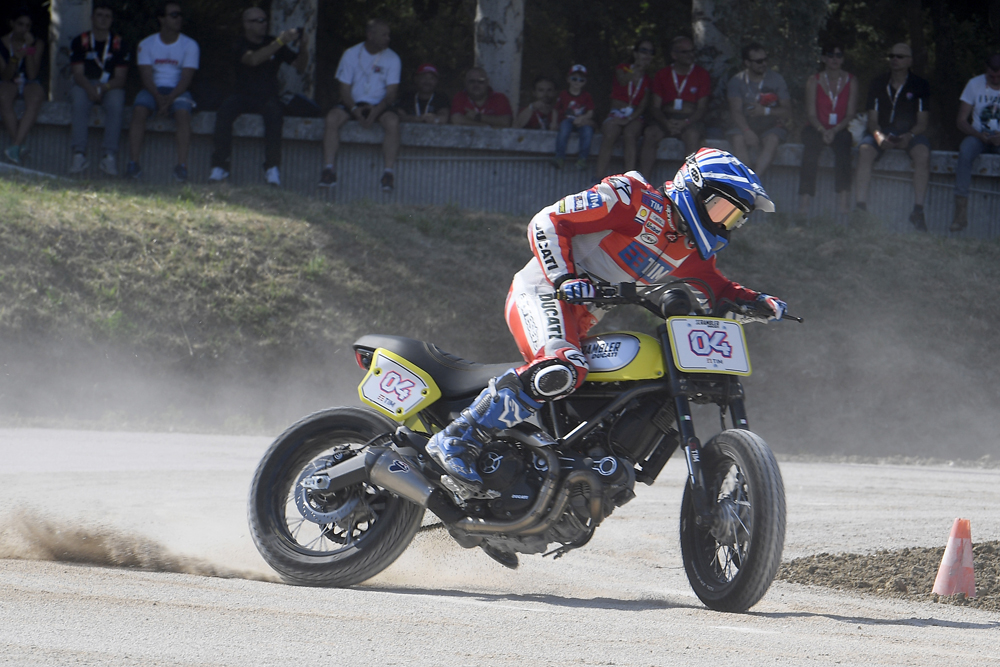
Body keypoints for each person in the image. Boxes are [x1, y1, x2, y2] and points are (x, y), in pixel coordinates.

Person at [425, 148, 786, 565]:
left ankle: (533, 489)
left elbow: (713, 285)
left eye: (735, 217)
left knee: (616, 391)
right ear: (694, 188)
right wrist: (564, 276)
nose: (726, 222)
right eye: (723, 208)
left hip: (580, 318)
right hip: (544, 291)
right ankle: (457, 437)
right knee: (563, 367)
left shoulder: (689, 246)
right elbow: (548, 221)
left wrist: (755, 300)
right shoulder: (630, 196)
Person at [209, 7, 307, 187]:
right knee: (224, 112)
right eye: (258, 21)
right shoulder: (239, 43)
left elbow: (300, 66)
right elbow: (253, 59)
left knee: (275, 114)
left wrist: (303, 45)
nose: (264, 24)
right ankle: (220, 166)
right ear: (247, 24)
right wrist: (281, 41)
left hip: (267, 96)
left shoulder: (273, 42)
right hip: (242, 95)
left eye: (265, 20)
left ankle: (272, 168)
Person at [853, 43, 930, 230]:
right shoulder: (878, 82)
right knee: (864, 151)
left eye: (900, 56)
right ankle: (860, 209)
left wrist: (909, 136)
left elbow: (922, 123)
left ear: (909, 61)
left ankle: (918, 210)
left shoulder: (920, 85)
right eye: (892, 55)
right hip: (883, 130)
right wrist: (879, 137)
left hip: (909, 132)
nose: (895, 59)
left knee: (923, 154)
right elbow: (872, 120)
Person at [319, 18, 400, 191]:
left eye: (389, 35)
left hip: (379, 105)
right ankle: (328, 170)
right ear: (370, 35)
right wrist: (355, 110)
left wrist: (376, 110)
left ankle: (388, 173)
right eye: (384, 34)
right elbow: (344, 89)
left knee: (392, 122)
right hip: (352, 103)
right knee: (332, 118)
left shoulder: (393, 58)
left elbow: (392, 92)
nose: (388, 38)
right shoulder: (350, 54)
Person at [127, 2, 199, 182]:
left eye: (180, 15)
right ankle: (133, 164)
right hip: (152, 88)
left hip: (178, 89)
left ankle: (181, 167)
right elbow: (146, 76)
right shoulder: (146, 44)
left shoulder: (190, 45)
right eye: (174, 15)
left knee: (183, 113)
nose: (179, 19)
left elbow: (186, 78)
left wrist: (170, 98)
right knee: (139, 110)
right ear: (161, 19)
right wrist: (158, 97)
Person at [67, 2, 130, 176]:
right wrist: (90, 88)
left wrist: (104, 87)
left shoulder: (119, 43)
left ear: (112, 20)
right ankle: (79, 155)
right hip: (85, 83)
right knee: (79, 101)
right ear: (92, 18)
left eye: (107, 16)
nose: (103, 19)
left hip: (110, 85)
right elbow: (78, 74)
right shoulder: (80, 41)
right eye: (99, 15)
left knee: (117, 103)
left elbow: (121, 78)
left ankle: (109, 157)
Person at [797, 42, 858, 219]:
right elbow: (810, 113)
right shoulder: (814, 80)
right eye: (830, 55)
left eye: (838, 56)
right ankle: (804, 203)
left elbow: (851, 113)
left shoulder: (851, 80)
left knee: (844, 147)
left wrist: (835, 130)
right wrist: (823, 130)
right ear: (824, 58)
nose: (834, 59)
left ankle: (843, 203)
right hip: (817, 127)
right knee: (810, 150)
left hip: (840, 127)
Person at [639, 36, 711, 177]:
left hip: (690, 119)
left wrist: (686, 122)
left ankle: (688, 184)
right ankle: (642, 183)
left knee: (692, 136)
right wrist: (666, 123)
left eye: (692, 51)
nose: (690, 55)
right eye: (685, 52)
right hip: (666, 118)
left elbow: (702, 108)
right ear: (674, 55)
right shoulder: (662, 74)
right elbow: (655, 106)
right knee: (650, 134)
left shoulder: (701, 74)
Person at [951, 54, 1000, 232]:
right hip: (978, 134)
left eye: (998, 77)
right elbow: (961, 121)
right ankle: (960, 213)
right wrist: (979, 135)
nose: (994, 79)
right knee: (965, 151)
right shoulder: (974, 84)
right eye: (991, 76)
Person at [726, 43, 790, 178]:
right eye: (759, 61)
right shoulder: (737, 81)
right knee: (738, 139)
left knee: (773, 139)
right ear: (747, 63)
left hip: (769, 124)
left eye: (766, 59)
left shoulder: (777, 79)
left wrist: (765, 111)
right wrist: (747, 131)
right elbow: (735, 111)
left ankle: (755, 181)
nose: (764, 64)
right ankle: (746, 179)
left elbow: (787, 111)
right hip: (744, 123)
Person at [595, 39, 654, 179]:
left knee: (630, 134)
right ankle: (597, 178)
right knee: (610, 134)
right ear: (635, 53)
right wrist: (636, 69)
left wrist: (629, 119)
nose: (646, 55)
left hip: (634, 115)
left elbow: (643, 105)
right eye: (643, 51)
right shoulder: (623, 68)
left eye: (650, 52)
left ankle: (630, 181)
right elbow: (623, 81)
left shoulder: (648, 79)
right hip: (616, 112)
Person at [0, 8, 46, 166]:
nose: (24, 29)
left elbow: (33, 74)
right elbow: (5, 75)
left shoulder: (36, 43)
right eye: (20, 24)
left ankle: (15, 146)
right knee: (3, 98)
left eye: (27, 26)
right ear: (12, 23)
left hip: (29, 81)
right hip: (9, 80)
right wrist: (14, 58)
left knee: (36, 97)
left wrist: (28, 50)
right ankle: (18, 145)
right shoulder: (2, 43)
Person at [552, 65, 595, 169]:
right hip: (566, 120)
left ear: (585, 82)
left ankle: (582, 159)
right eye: (574, 79)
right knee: (564, 131)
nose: (577, 82)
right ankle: (559, 157)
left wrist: (583, 118)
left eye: (581, 80)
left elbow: (590, 112)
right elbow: (555, 109)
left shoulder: (587, 96)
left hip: (582, 121)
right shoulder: (563, 94)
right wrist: (553, 123)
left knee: (588, 132)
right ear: (568, 79)